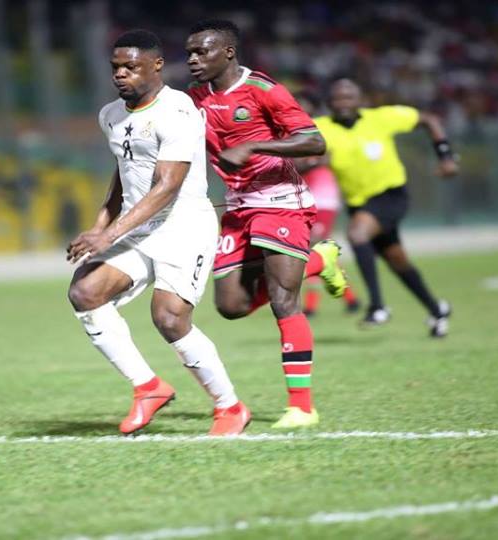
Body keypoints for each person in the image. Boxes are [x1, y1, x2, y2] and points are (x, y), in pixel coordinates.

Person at [66, 30, 250, 437]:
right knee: (85, 292)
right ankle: (147, 387)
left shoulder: (178, 110)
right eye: (116, 67)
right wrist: (99, 225)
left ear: (156, 66)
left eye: (131, 67)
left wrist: (109, 235)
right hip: (137, 226)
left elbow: (167, 186)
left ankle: (230, 407)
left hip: (183, 226)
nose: (121, 74)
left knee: (169, 318)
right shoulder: (110, 114)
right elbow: (124, 171)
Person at [186, 19, 347, 430]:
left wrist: (253, 145)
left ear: (228, 52)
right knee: (231, 307)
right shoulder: (193, 98)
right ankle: (319, 261)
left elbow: (314, 141)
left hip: (280, 202)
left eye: (201, 52)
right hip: (237, 207)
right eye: (189, 53)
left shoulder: (263, 89)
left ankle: (301, 407)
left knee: (282, 299)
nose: (193, 60)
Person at [314, 78, 457, 337]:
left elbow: (429, 120)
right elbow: (300, 156)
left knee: (357, 234)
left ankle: (377, 306)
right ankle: (437, 310)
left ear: (360, 100)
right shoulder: (320, 128)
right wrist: (314, 161)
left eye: (349, 97)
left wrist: (445, 156)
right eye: (337, 98)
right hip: (358, 204)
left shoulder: (381, 118)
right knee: (397, 260)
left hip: (390, 196)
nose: (343, 103)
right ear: (329, 103)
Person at [294, 93, 360, 318]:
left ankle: (311, 305)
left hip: (323, 197)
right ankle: (351, 299)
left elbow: (326, 159)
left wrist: (309, 163)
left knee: (312, 248)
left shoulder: (318, 132)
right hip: (305, 198)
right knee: (318, 250)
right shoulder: (292, 133)